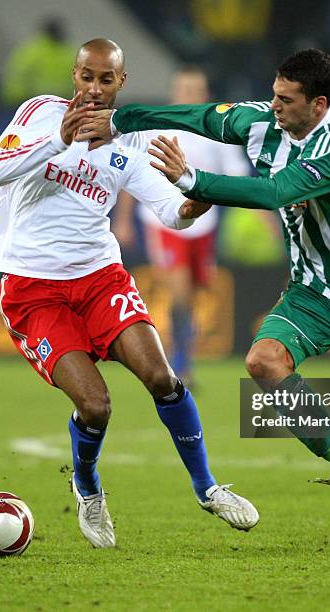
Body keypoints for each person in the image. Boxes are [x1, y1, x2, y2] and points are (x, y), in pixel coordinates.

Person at [84, 48, 330, 548]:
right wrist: (120, 119)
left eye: (286, 99)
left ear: (319, 104)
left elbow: (276, 192)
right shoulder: (265, 122)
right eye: (273, 94)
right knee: (263, 362)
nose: (274, 105)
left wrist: (191, 180)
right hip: (313, 288)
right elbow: (201, 117)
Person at [0, 38, 258, 549]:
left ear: (120, 84)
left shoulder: (128, 139)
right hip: (33, 289)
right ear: (74, 74)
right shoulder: (41, 113)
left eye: (105, 80)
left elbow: (173, 212)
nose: (93, 88)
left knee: (162, 377)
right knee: (96, 406)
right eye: (86, 77)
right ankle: (87, 486)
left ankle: (208, 488)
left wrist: (194, 194)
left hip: (100, 277)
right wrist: (56, 143)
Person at [113, 66, 249, 385]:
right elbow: (134, 176)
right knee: (181, 291)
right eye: (183, 89)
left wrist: (270, 217)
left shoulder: (219, 129)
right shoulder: (155, 128)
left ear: (204, 94)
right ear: (175, 94)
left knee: (195, 294)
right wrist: (122, 221)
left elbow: (239, 179)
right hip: (163, 222)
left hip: (204, 223)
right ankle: (180, 364)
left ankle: (182, 350)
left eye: (195, 90)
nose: (188, 95)